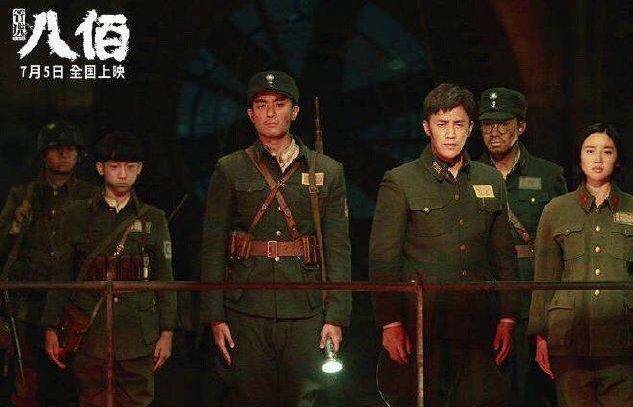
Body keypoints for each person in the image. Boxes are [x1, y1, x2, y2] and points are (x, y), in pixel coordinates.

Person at [200, 70, 351, 406]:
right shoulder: (230, 169)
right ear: (250, 113)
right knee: (250, 397)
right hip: (245, 306)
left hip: (306, 306)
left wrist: (336, 316)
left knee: (303, 398)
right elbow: (213, 246)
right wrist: (215, 314)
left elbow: (338, 248)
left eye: (279, 104)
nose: (270, 112)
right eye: (261, 104)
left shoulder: (328, 170)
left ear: (294, 112)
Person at [369, 83, 519, 406]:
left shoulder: (490, 179)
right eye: (442, 124)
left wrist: (508, 317)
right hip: (422, 324)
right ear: (427, 127)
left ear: (470, 128)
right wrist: (390, 322)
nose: (450, 133)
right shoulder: (401, 181)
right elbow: (383, 260)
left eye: (458, 124)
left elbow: (504, 256)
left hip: (477, 325)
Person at [41, 132, 177, 406]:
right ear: (100, 168)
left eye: (130, 166)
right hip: (90, 329)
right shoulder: (76, 214)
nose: (123, 174)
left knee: (136, 400)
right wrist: (50, 326)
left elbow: (165, 278)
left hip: (137, 333)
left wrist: (167, 331)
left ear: (139, 169)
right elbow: (62, 275)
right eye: (114, 166)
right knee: (91, 399)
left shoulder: (154, 218)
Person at [528, 123, 633, 407]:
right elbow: (545, 278)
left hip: (621, 340)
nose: (598, 158)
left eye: (607, 151)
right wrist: (540, 336)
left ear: (618, 159)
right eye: (590, 150)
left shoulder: (631, 208)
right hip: (568, 340)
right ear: (579, 157)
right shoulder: (557, 209)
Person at [477, 87, 566, 406]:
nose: (494, 132)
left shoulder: (548, 175)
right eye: (487, 124)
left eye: (503, 123)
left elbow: (563, 243)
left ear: (521, 126)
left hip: (533, 289)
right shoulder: (467, 174)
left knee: (534, 388)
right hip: (487, 293)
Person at [0, 121, 97, 406]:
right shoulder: (23, 194)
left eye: (71, 149)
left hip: (74, 303)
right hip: (28, 302)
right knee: (27, 380)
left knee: (76, 380)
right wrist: (15, 225)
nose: (65, 154)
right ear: (44, 154)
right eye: (57, 148)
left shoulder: (91, 195)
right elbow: (3, 245)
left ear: (79, 155)